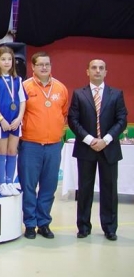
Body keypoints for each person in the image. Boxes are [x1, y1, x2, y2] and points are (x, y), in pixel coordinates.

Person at [68, 59, 128, 241]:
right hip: (86, 148)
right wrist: (90, 139)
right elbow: (73, 120)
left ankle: (110, 227)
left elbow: (122, 120)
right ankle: (83, 226)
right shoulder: (79, 94)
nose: (97, 71)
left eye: (101, 68)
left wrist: (106, 140)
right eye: (94, 68)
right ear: (87, 71)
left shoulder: (116, 94)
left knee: (109, 190)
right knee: (84, 190)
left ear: (106, 72)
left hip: (109, 149)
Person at [19, 52, 69, 239]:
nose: (44, 67)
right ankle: (30, 224)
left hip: (53, 146)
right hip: (30, 144)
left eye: (47, 64)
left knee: (49, 186)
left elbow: (63, 113)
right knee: (29, 186)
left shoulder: (61, 88)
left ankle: (44, 223)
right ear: (33, 67)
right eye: (40, 64)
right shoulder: (24, 87)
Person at [0, 45, 26, 197]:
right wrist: (1, 119)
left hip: (15, 121)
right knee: (1, 151)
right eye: (3, 59)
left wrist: (19, 118)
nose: (7, 62)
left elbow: (22, 101)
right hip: (0, 121)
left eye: (9, 59)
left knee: (12, 151)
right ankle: (1, 183)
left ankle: (10, 182)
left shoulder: (18, 80)